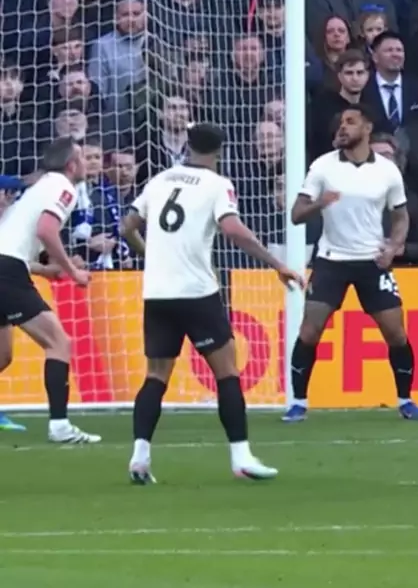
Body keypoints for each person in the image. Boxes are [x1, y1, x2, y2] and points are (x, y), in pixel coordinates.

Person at [121, 122, 305, 484]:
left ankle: (139, 458)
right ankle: (241, 457)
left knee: (156, 376)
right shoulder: (217, 184)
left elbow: (128, 226)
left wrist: (151, 255)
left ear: (187, 145)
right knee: (227, 372)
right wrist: (277, 263)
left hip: (157, 292)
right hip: (196, 293)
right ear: (220, 151)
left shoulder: (158, 180)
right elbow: (233, 229)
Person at [282, 104, 418, 423]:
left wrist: (393, 246)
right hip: (331, 260)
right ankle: (298, 403)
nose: (343, 127)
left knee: (396, 332)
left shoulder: (387, 170)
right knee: (310, 330)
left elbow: (401, 216)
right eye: (341, 122)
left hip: (372, 262)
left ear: (367, 128)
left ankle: (406, 400)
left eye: (350, 122)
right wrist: (320, 203)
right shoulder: (323, 166)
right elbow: (296, 214)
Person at [0, 137, 100, 443]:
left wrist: (48, 268)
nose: (87, 163)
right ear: (71, 165)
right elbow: (46, 230)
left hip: (7, 266)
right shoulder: (63, 187)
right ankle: (60, 426)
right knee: (59, 343)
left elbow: (19, 243)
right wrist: (72, 271)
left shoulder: (40, 187)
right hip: (7, 271)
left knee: (2, 356)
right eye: (82, 157)